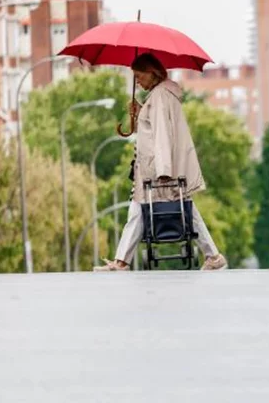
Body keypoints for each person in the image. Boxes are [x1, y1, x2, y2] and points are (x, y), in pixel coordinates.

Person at [95, 53, 228, 271]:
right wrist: (139, 113)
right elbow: (152, 129)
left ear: (152, 72)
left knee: (180, 209)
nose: (137, 81)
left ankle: (213, 256)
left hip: (157, 171)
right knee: (158, 209)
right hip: (153, 169)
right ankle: (212, 256)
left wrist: (163, 170)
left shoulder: (159, 97)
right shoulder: (159, 95)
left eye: (139, 76)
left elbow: (162, 134)